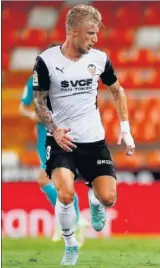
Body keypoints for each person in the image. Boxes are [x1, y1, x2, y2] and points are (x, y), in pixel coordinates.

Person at [32, 4, 135, 266]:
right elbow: (39, 102)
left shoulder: (99, 59)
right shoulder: (47, 61)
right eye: (90, 33)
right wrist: (54, 130)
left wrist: (125, 128)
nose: (95, 39)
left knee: (108, 198)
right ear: (74, 32)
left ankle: (95, 199)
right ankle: (70, 245)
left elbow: (117, 90)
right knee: (65, 194)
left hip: (94, 141)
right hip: (61, 141)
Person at [19, 42, 88, 247]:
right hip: (45, 136)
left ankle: (71, 220)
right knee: (54, 182)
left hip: (64, 134)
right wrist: (33, 114)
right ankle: (72, 219)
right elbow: (22, 107)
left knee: (47, 179)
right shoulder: (34, 80)